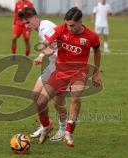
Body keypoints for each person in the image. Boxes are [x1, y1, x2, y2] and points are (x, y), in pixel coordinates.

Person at [34, 7, 102, 147]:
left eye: (72, 25)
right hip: (60, 71)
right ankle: (46, 126)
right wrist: (44, 50)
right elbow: (45, 43)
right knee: (40, 102)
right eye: (67, 24)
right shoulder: (62, 28)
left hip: (79, 71)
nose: (69, 28)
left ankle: (68, 132)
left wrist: (96, 73)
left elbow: (97, 51)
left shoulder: (92, 36)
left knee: (76, 97)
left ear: (80, 22)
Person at [18, 7, 67, 141]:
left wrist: (48, 51)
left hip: (63, 67)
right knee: (35, 95)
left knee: (57, 102)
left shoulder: (45, 28)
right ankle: (46, 125)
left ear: (35, 17)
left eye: (28, 22)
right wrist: (42, 55)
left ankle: (63, 129)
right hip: (52, 66)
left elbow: (58, 42)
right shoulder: (42, 27)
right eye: (24, 24)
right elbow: (50, 42)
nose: (26, 26)